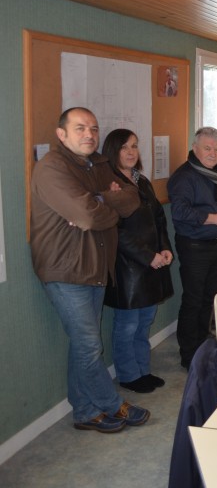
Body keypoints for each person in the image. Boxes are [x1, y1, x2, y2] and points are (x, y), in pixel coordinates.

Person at [30, 107, 150, 432]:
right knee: (89, 344)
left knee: (83, 344)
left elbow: (131, 198)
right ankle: (113, 404)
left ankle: (84, 411)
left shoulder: (97, 163)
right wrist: (104, 203)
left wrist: (99, 201)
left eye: (94, 129)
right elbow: (86, 216)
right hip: (66, 269)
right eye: (80, 128)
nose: (89, 134)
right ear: (62, 134)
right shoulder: (52, 168)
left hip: (95, 265)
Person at [101, 129, 174, 394]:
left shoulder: (141, 180)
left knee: (144, 322)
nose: (131, 152)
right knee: (128, 325)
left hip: (152, 263)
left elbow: (159, 219)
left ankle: (143, 370)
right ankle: (129, 376)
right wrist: (147, 256)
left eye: (134, 146)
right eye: (124, 147)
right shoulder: (109, 185)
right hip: (128, 267)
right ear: (113, 151)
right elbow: (115, 231)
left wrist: (164, 248)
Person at [168, 127, 217, 369]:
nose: (213, 154)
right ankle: (190, 356)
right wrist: (213, 219)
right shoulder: (184, 176)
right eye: (207, 148)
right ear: (194, 148)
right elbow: (179, 212)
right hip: (194, 246)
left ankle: (203, 347)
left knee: (209, 300)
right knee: (193, 301)